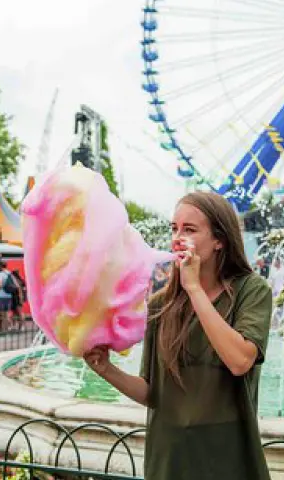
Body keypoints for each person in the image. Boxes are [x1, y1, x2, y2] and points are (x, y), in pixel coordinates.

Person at [84, 191, 273, 480]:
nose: (177, 237)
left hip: (227, 459)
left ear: (219, 240)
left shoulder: (252, 290)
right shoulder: (161, 304)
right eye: (174, 228)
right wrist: (106, 369)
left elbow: (240, 361)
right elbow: (151, 391)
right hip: (168, 460)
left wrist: (194, 288)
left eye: (190, 229)